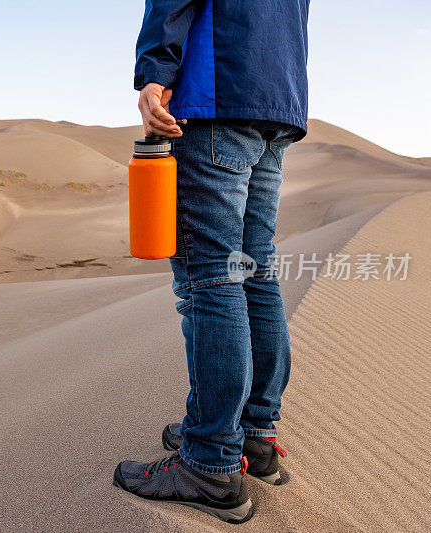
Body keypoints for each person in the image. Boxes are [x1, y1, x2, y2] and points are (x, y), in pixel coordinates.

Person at [112, 0, 310, 524]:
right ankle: (255, 436)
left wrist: (154, 73)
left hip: (215, 94)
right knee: (253, 271)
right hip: (276, 101)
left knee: (212, 277)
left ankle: (209, 460)